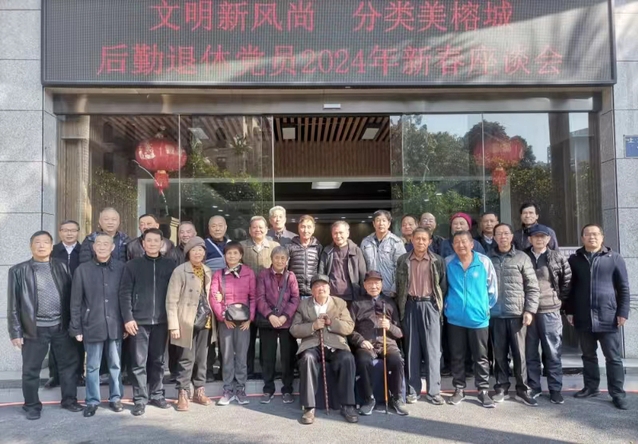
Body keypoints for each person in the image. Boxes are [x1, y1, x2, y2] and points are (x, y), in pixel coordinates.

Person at [7, 231, 82, 420]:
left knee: (68, 366)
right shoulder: (18, 270)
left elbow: (71, 298)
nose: (41, 246)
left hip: (61, 326)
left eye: (46, 242)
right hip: (34, 328)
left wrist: (75, 324)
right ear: (31, 246)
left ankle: (69, 400)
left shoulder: (62, 266)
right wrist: (15, 332)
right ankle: (31, 405)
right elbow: (13, 304)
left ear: (51, 246)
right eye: (37, 242)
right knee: (31, 369)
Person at [565, 224, 630, 410]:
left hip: (608, 316)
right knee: (588, 355)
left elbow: (623, 287)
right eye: (588, 234)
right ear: (582, 238)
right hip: (583, 315)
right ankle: (591, 387)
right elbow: (570, 288)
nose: (592, 237)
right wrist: (569, 311)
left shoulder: (614, 258)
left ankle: (617, 393)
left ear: (602, 237)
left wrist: (623, 312)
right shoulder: (574, 259)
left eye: (595, 234)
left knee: (613, 357)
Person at [119, 228, 177, 416]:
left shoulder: (170, 265)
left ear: (162, 244)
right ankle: (140, 399)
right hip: (138, 322)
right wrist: (128, 318)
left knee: (158, 361)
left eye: (156, 241)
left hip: (162, 320)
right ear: (143, 244)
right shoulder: (132, 265)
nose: (152, 244)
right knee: (138, 362)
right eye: (148, 240)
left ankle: (157, 394)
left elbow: (175, 293)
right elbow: (124, 293)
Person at [70, 233, 126, 417]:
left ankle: (115, 398)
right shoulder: (83, 270)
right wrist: (76, 327)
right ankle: (92, 401)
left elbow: (126, 297)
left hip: (115, 324)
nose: (102, 247)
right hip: (92, 324)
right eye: (98, 244)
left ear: (112, 247)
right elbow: (75, 302)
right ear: (93, 247)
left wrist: (126, 321)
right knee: (92, 366)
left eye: (106, 244)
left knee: (115, 364)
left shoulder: (121, 268)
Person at [290, 274, 358, 425]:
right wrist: (313, 326)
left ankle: (348, 405)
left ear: (329, 288)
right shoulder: (303, 305)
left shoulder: (340, 303)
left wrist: (331, 323)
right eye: (317, 286)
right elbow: (294, 329)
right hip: (312, 345)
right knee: (307, 359)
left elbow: (349, 327)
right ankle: (309, 407)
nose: (321, 288)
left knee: (347, 358)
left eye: (324, 286)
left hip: (335, 345)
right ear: (312, 291)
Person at [488, 223, 540, 406]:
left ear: (511, 236)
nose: (503, 237)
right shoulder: (487, 258)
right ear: (494, 237)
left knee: (520, 354)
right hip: (495, 314)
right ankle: (501, 387)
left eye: (506, 233)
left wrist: (529, 310)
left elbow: (532, 286)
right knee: (499, 354)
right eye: (499, 234)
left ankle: (523, 389)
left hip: (517, 314)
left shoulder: (522, 257)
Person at [445, 231, 498, 408]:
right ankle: (459, 388)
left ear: (472, 244)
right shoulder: (448, 262)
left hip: (478, 319)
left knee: (481, 356)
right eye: (457, 242)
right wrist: (449, 307)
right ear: (453, 246)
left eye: (464, 242)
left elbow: (492, 289)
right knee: (457, 356)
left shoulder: (484, 261)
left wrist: (484, 308)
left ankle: (483, 390)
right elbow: (443, 287)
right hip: (455, 319)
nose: (461, 245)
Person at [396, 228, 447, 406]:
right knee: (412, 349)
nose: (420, 242)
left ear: (429, 241)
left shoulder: (437, 260)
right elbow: (399, 285)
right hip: (410, 305)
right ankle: (413, 390)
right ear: (411, 239)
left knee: (433, 350)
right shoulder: (403, 260)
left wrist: (436, 305)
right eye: (417, 238)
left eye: (424, 239)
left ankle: (434, 391)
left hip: (430, 305)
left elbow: (443, 286)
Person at [167, 237, 216, 412]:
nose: (198, 253)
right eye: (194, 250)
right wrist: (173, 325)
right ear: (188, 252)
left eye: (201, 250)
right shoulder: (180, 271)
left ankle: (199, 391)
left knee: (202, 358)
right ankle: (183, 392)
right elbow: (171, 300)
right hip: (185, 321)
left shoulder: (207, 270)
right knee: (186, 358)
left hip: (205, 320)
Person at [524, 224, 572, 404]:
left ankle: (555, 389)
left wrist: (558, 301)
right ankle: (534, 386)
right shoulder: (523, 256)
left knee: (552, 352)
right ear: (530, 239)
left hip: (550, 310)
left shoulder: (557, 257)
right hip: (528, 311)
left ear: (548, 239)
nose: (539, 239)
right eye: (535, 236)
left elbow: (566, 282)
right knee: (530, 352)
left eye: (542, 237)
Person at [350, 271, 408, 416]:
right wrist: (360, 341)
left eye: (376, 283)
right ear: (364, 285)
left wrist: (390, 326)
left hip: (387, 342)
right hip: (367, 344)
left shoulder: (389, 303)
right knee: (363, 360)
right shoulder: (356, 303)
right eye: (370, 283)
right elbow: (349, 330)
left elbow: (400, 333)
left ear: (381, 284)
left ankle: (397, 397)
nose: (373, 286)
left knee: (396, 360)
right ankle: (368, 399)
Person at [210, 242, 256, 406]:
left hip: (244, 322)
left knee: (242, 356)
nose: (232, 256)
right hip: (226, 322)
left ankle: (240, 389)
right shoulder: (218, 274)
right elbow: (214, 297)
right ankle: (228, 389)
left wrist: (250, 319)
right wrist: (223, 317)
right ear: (224, 256)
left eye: (235, 253)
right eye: (229, 253)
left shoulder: (249, 273)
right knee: (227, 356)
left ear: (241, 255)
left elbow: (253, 297)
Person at [256, 246, 300, 404]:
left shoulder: (291, 276)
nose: (280, 261)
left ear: (287, 260)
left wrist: (284, 316)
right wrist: (270, 315)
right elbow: (260, 297)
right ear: (271, 259)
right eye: (277, 257)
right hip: (268, 321)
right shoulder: (263, 275)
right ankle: (268, 389)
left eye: (283, 258)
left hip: (286, 322)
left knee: (287, 357)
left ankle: (287, 389)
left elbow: (295, 298)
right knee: (268, 357)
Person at [241, 216, 280, 378]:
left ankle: (267, 372)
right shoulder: (242, 246)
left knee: (267, 340)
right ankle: (248, 371)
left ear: (266, 229)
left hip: (268, 300)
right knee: (247, 338)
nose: (258, 230)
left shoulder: (275, 246)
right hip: (246, 299)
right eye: (254, 227)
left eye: (261, 227)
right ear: (250, 230)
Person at [47, 220, 84, 389]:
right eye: (65, 230)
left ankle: (78, 374)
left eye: (73, 230)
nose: (69, 233)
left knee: (78, 338)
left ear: (78, 232)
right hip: (56, 300)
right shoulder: (53, 251)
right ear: (60, 232)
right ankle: (55, 375)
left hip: (79, 300)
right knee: (56, 338)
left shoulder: (85, 251)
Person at [204, 215, 230, 382]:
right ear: (209, 228)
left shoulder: (232, 245)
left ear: (226, 227)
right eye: (213, 226)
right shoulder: (203, 245)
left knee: (225, 336)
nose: (217, 228)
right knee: (208, 336)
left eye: (220, 225)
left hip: (229, 297)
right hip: (208, 295)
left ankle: (224, 370)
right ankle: (207, 370)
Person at [319, 221, 367, 308]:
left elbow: (362, 274)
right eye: (335, 233)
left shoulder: (356, 251)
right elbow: (321, 274)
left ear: (347, 233)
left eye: (341, 233)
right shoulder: (327, 251)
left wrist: (363, 294)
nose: (338, 236)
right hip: (332, 296)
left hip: (352, 296)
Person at [361, 210, 406, 297]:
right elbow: (362, 267)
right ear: (374, 224)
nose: (381, 223)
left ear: (389, 224)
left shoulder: (396, 242)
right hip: (371, 289)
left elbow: (401, 268)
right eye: (378, 220)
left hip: (389, 290)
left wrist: (394, 289)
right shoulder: (366, 242)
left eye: (384, 220)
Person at [288, 215, 322, 298]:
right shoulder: (290, 247)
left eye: (309, 227)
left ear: (313, 229)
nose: (306, 230)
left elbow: (321, 270)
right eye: (303, 227)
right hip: (294, 293)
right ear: (298, 228)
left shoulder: (318, 247)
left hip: (312, 294)